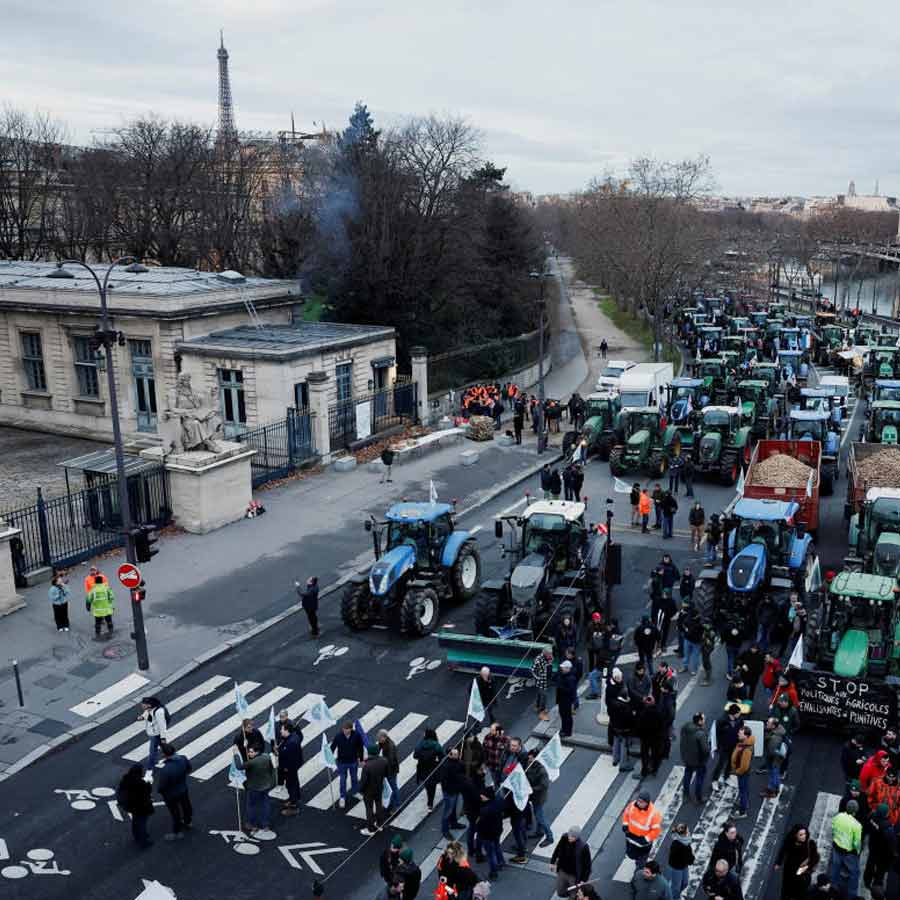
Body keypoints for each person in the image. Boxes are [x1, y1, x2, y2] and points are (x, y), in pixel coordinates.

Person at [157, 742, 193, 840]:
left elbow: (162, 786)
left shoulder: (165, 770)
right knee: (186, 806)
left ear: (165, 755)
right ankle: (188, 822)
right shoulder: (183, 759)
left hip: (171, 794)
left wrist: (161, 791)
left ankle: (177, 832)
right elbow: (189, 769)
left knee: (175, 813)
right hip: (183, 788)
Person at [775, 825, 820, 900]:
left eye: (805, 834)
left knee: (800, 893)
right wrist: (779, 863)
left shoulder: (810, 843)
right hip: (789, 870)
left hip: (802, 873)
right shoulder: (790, 842)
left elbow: (815, 858)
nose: (804, 836)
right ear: (795, 835)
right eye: (801, 835)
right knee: (786, 890)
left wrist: (803, 869)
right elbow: (783, 850)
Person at [829, 800, 862, 900]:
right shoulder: (857, 825)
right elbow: (856, 843)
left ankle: (833, 888)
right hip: (849, 853)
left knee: (835, 867)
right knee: (854, 873)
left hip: (836, 847)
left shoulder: (838, 817)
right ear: (855, 812)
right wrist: (857, 852)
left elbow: (833, 829)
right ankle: (851, 895)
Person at [117, 763, 154, 849]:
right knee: (142, 823)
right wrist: (149, 784)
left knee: (135, 821)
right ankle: (143, 841)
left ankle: (136, 836)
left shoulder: (126, 779)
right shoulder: (140, 783)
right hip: (141, 807)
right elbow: (147, 791)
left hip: (131, 806)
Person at [550, 825, 592, 898]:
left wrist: (584, 879)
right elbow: (557, 849)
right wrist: (552, 862)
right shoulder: (564, 837)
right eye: (569, 835)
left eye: (573, 836)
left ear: (577, 837)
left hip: (574, 876)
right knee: (560, 892)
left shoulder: (583, 847)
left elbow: (587, 865)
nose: (570, 837)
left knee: (574, 895)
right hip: (562, 871)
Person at [622, 789, 662, 865]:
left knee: (641, 861)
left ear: (647, 803)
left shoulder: (654, 814)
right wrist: (625, 824)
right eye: (638, 801)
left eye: (641, 802)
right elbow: (626, 814)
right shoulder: (632, 805)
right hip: (631, 838)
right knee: (631, 855)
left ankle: (640, 868)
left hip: (643, 843)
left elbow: (656, 831)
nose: (639, 803)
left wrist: (646, 839)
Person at [330, 720, 364, 808]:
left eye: (346, 729)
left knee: (354, 778)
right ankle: (342, 797)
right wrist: (329, 759)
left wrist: (361, 759)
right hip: (342, 762)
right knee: (342, 780)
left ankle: (355, 792)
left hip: (353, 761)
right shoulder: (338, 736)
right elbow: (332, 747)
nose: (345, 731)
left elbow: (360, 747)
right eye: (344, 729)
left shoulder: (356, 735)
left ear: (351, 729)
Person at [608, 668, 635, 772]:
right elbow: (630, 718)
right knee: (624, 745)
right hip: (624, 728)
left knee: (616, 741)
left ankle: (615, 759)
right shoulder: (626, 706)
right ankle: (623, 765)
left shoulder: (613, 702)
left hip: (615, 725)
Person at [525, 748, 554, 847]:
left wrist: (531, 789)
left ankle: (550, 837)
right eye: (529, 757)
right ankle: (539, 831)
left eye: (532, 758)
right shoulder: (530, 764)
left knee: (540, 817)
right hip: (533, 795)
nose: (529, 759)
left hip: (539, 797)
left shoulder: (541, 770)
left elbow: (544, 785)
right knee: (537, 815)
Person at [360, 740, 389, 836]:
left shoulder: (367, 766)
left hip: (368, 791)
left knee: (369, 809)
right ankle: (380, 824)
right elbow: (386, 774)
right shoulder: (384, 761)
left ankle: (370, 829)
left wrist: (361, 790)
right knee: (379, 805)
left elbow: (363, 781)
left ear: (369, 753)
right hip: (379, 788)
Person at [680, 712, 710, 804]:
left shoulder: (685, 728)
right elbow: (705, 750)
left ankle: (686, 795)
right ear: (700, 721)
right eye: (703, 719)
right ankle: (698, 797)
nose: (705, 720)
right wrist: (706, 757)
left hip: (687, 757)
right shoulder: (700, 734)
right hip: (698, 760)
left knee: (687, 775)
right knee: (699, 778)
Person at [863, 804, 894, 889]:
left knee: (870, 865)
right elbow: (890, 843)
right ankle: (876, 886)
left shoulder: (872, 817)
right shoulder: (887, 826)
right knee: (880, 871)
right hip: (882, 852)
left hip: (873, 846)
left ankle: (867, 881)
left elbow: (867, 823)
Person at [711, 705, 743, 787]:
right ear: (733, 713)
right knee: (721, 764)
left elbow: (741, 731)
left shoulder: (739, 720)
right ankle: (714, 780)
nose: (740, 714)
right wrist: (718, 747)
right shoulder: (722, 721)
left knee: (730, 763)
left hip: (734, 746)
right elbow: (717, 735)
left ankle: (726, 777)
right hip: (724, 747)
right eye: (738, 713)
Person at [635, 695, 665, 779]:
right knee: (656, 754)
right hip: (656, 738)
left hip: (645, 738)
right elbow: (662, 725)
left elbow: (638, 726)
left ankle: (644, 771)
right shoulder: (659, 712)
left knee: (645, 755)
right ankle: (654, 770)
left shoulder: (643, 713)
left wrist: (639, 735)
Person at [439, 746, 466, 840]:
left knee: (453, 809)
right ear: (449, 755)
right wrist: (450, 791)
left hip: (456, 789)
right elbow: (444, 781)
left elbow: (462, 771)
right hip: (450, 792)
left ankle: (454, 823)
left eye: (457, 754)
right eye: (455, 754)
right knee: (448, 811)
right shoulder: (446, 766)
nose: (457, 755)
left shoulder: (458, 762)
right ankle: (445, 830)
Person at [413, 727, 443, 810]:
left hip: (422, 767)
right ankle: (430, 803)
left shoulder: (420, 744)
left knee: (427, 784)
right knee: (432, 785)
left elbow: (415, 756)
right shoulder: (436, 745)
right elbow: (442, 756)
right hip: (433, 767)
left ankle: (429, 801)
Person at [277, 721, 303, 815]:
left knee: (290, 785)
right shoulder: (294, 737)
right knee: (295, 782)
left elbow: (288, 757)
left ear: (287, 730)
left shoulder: (290, 743)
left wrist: (285, 768)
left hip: (289, 768)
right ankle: (295, 798)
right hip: (294, 766)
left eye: (282, 729)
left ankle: (294, 806)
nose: (280, 731)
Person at [139, 697, 169, 774]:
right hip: (152, 733)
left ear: (149, 705)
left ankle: (149, 769)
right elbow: (147, 713)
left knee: (152, 752)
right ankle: (171, 758)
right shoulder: (149, 709)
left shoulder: (159, 712)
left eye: (143, 704)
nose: (142, 705)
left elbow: (162, 726)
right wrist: (143, 717)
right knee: (164, 747)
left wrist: (163, 737)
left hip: (156, 734)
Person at [731, 726, 755, 819]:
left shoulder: (746, 749)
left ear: (746, 736)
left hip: (742, 772)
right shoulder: (744, 743)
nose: (738, 734)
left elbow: (744, 766)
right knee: (744, 788)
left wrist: (737, 771)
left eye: (740, 733)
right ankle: (744, 802)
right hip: (743, 772)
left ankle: (742, 811)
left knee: (743, 790)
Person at [763, 717, 787, 799]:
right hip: (777, 759)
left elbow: (771, 752)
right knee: (775, 774)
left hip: (774, 760)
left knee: (773, 774)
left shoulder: (775, 738)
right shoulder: (779, 730)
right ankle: (773, 788)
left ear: (773, 726)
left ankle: (772, 791)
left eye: (768, 723)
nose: (766, 723)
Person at [668, 824, 694, 898]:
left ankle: (673, 894)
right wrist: (691, 858)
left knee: (685, 883)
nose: (689, 832)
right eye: (687, 831)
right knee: (676, 888)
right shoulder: (678, 845)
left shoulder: (685, 840)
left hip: (684, 865)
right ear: (683, 834)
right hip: (677, 868)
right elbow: (688, 858)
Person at [86, 572, 115, 640]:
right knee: (109, 621)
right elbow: (112, 597)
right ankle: (111, 632)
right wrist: (110, 604)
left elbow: (88, 599)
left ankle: (98, 634)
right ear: (102, 581)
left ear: (95, 582)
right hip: (107, 609)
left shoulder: (92, 590)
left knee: (98, 623)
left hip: (97, 611)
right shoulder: (107, 588)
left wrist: (88, 607)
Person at [378, 728, 401, 811]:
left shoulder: (390, 746)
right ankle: (392, 803)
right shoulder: (384, 742)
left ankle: (397, 805)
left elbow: (390, 761)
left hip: (391, 770)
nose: (378, 740)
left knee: (393, 787)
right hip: (390, 769)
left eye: (379, 738)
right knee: (391, 787)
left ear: (384, 737)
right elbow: (378, 748)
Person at [482, 723, 509, 787]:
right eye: (490, 729)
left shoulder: (505, 739)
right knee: (496, 782)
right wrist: (485, 763)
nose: (490, 731)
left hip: (502, 767)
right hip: (492, 766)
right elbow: (484, 750)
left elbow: (509, 754)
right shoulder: (487, 737)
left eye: (492, 730)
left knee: (504, 782)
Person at [557, 659, 578, 738]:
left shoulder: (571, 678)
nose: (562, 668)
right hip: (562, 699)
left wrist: (561, 687)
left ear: (568, 668)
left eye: (563, 667)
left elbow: (571, 691)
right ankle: (564, 729)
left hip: (567, 700)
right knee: (563, 715)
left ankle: (567, 731)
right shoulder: (564, 675)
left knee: (567, 716)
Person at [532, 647, 553, 721]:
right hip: (542, 681)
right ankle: (542, 713)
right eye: (549, 654)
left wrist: (550, 661)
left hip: (547, 679)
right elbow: (533, 670)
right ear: (545, 653)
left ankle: (537, 706)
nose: (551, 655)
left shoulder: (548, 657)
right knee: (544, 696)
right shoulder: (538, 660)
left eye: (551, 654)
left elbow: (549, 666)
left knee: (539, 694)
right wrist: (538, 678)